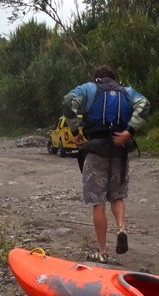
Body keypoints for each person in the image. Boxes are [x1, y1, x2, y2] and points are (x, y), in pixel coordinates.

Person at [62, 65, 150, 262]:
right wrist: (129, 131)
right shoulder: (127, 92)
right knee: (117, 196)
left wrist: (76, 133)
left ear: (97, 78)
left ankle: (102, 252)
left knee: (98, 201)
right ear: (113, 78)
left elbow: (68, 104)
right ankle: (121, 228)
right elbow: (144, 105)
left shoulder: (88, 89)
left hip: (95, 150)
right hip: (119, 150)